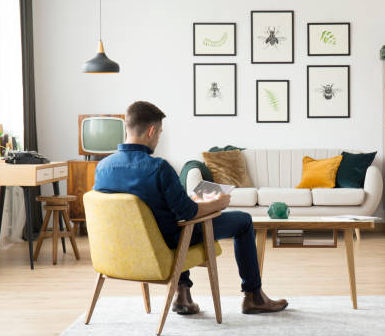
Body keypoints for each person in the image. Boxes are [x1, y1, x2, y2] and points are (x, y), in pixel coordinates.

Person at [93, 101, 288, 315]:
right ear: (151, 131)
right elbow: (187, 213)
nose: (158, 138)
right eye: (159, 133)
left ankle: (182, 294)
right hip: (168, 242)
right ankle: (254, 297)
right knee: (242, 221)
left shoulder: (102, 168)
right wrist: (218, 203)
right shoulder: (158, 168)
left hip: (125, 248)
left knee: (168, 220)